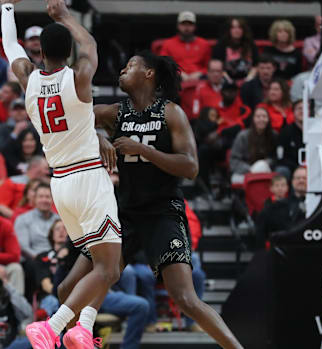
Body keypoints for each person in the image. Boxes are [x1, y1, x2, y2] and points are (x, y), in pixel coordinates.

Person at [93, 51, 243, 349]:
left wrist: (143, 150)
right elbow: (74, 116)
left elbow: (191, 167)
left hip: (163, 211)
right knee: (89, 283)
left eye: (131, 65)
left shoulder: (170, 112)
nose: (123, 69)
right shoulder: (114, 112)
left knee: (185, 297)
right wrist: (97, 136)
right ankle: (68, 336)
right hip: (125, 211)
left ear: (149, 74)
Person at [0, 0, 121, 348]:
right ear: (68, 52)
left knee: (102, 258)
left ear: (41, 52)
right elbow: (92, 46)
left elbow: (11, 48)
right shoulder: (79, 78)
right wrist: (65, 14)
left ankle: (83, 328)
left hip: (60, 183)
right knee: (110, 268)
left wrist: (7, 7)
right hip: (87, 177)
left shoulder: (29, 79)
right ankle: (52, 327)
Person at [229, 107, 277, 183]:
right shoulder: (243, 136)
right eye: (258, 117)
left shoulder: (274, 135)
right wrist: (251, 169)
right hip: (245, 172)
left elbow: (275, 157)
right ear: (253, 119)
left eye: (264, 116)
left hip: (266, 171)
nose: (261, 119)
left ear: (268, 119)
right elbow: (234, 160)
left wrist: (265, 164)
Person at [160, 11, 211, 81]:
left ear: (195, 26)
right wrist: (178, 72)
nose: (186, 27)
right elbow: (163, 65)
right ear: (178, 25)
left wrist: (200, 73)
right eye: (183, 24)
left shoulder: (204, 44)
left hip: (200, 80)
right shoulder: (168, 44)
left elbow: (210, 67)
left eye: (190, 24)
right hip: (176, 81)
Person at [14, 183, 58, 261]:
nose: (44, 200)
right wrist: (43, 259)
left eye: (47, 197)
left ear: (53, 199)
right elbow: (24, 247)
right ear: (34, 199)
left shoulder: (59, 220)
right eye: (40, 197)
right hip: (34, 259)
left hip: (57, 258)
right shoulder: (22, 219)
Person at [276, 100, 304, 175]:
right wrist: (297, 168)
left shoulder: (315, 132)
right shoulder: (286, 131)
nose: (302, 111)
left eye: (305, 108)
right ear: (293, 112)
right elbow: (280, 157)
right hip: (291, 168)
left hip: (311, 166)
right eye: (299, 108)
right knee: (281, 170)